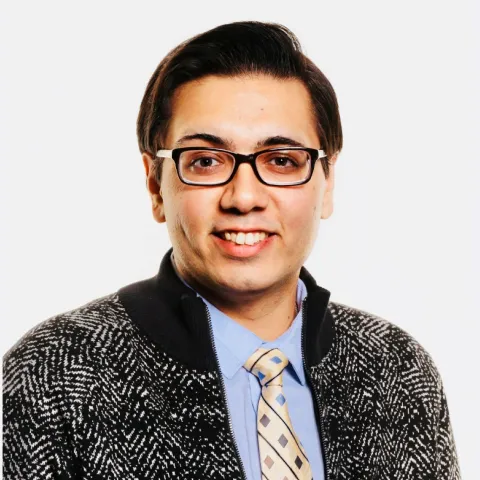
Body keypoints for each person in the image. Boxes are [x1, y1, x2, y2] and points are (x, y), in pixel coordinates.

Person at [3, 21, 460, 480]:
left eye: (281, 161)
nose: (244, 197)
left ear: (328, 182)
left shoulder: (397, 370)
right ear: (155, 184)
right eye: (205, 161)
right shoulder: (54, 374)